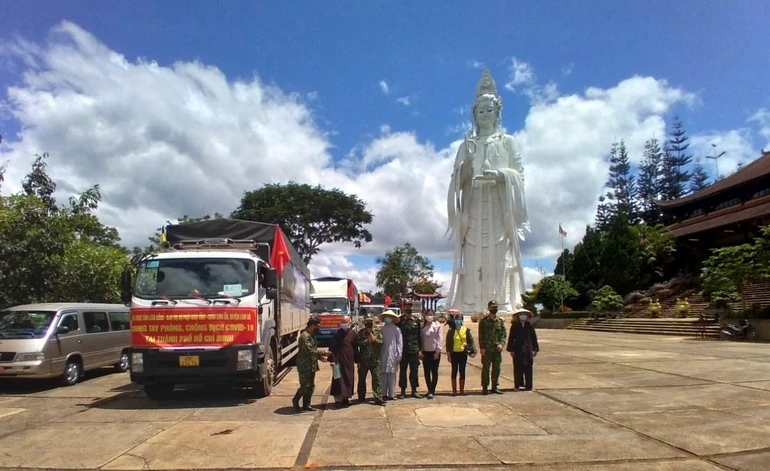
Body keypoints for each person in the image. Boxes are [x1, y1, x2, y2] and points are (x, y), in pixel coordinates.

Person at [446, 68, 530, 315]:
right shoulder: (466, 144)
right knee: (472, 257)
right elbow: (456, 181)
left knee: (499, 256)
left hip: (498, 205)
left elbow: (520, 174)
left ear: (497, 112)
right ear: (474, 113)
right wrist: (467, 164)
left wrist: (502, 175)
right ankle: (470, 302)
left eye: (489, 110)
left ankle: (502, 302)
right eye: (481, 110)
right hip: (473, 207)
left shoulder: (507, 141)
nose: (485, 114)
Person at [293, 317, 328, 412]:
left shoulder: (312, 335)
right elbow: (309, 350)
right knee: (305, 386)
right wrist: (323, 353)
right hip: (304, 365)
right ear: (312, 325)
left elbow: (313, 350)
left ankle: (306, 404)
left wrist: (319, 358)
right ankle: (295, 400)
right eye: (317, 326)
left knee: (311, 386)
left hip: (311, 364)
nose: (318, 328)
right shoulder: (304, 337)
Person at [507, 308, 539, 391]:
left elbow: (534, 338)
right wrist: (511, 349)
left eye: (524, 314)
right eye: (521, 314)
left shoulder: (529, 326)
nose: (523, 316)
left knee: (528, 367)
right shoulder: (515, 326)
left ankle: (529, 385)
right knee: (517, 367)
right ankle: (517, 385)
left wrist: (535, 349)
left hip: (528, 349)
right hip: (518, 349)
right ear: (518, 316)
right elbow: (511, 338)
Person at [478, 300, 506, 395]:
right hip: (487, 348)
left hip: (497, 349)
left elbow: (503, 334)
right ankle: (485, 387)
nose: (494, 309)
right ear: (489, 308)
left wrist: (501, 344)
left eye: (495, 307)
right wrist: (482, 347)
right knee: (486, 368)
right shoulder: (484, 321)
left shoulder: (500, 321)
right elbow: (481, 335)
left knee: (496, 368)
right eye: (492, 307)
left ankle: (494, 386)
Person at [445, 310, 476, 395]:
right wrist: (448, 354)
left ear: (462, 320)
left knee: (462, 371)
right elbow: (448, 343)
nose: (458, 320)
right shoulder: (451, 331)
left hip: (463, 353)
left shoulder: (466, 330)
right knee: (454, 371)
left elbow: (471, 341)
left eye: (460, 319)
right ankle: (454, 390)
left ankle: (462, 390)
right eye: (457, 319)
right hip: (454, 353)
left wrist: (474, 351)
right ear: (455, 320)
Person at [356, 313, 385, 405]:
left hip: (375, 360)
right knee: (361, 379)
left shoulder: (377, 332)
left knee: (376, 379)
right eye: (367, 322)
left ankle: (378, 397)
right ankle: (361, 396)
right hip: (363, 361)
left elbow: (381, 343)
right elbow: (358, 344)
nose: (369, 324)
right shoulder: (361, 333)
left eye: (370, 322)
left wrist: (374, 340)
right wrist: (367, 341)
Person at [329, 315, 357, 408]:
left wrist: (358, 361)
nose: (344, 324)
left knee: (348, 379)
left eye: (345, 322)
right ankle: (338, 400)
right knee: (337, 380)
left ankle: (346, 398)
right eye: (342, 322)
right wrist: (332, 360)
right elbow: (332, 348)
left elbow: (355, 349)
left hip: (348, 361)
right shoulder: (336, 334)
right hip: (337, 361)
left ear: (349, 323)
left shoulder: (353, 334)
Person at [398, 305, 423, 398]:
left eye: (410, 309)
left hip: (414, 350)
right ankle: (403, 391)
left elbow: (419, 336)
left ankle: (414, 390)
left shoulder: (416, 320)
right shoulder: (399, 321)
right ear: (403, 309)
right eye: (406, 308)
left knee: (414, 371)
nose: (408, 310)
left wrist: (420, 350)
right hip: (403, 350)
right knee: (403, 371)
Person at [379, 310, 403, 401]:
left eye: (389, 317)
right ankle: (383, 393)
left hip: (393, 353)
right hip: (383, 353)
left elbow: (399, 343)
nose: (387, 318)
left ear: (393, 318)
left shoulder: (396, 329)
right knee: (383, 373)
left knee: (392, 374)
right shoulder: (382, 329)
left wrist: (399, 355)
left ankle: (392, 394)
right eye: (386, 317)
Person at [420, 309, 443, 399]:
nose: (429, 316)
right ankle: (429, 389)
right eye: (427, 314)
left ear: (433, 315)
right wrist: (420, 351)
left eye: (431, 314)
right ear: (425, 315)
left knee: (434, 372)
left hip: (434, 352)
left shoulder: (437, 326)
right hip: (425, 352)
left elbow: (439, 339)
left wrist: (438, 351)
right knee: (426, 372)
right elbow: (420, 339)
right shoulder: (422, 326)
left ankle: (432, 390)